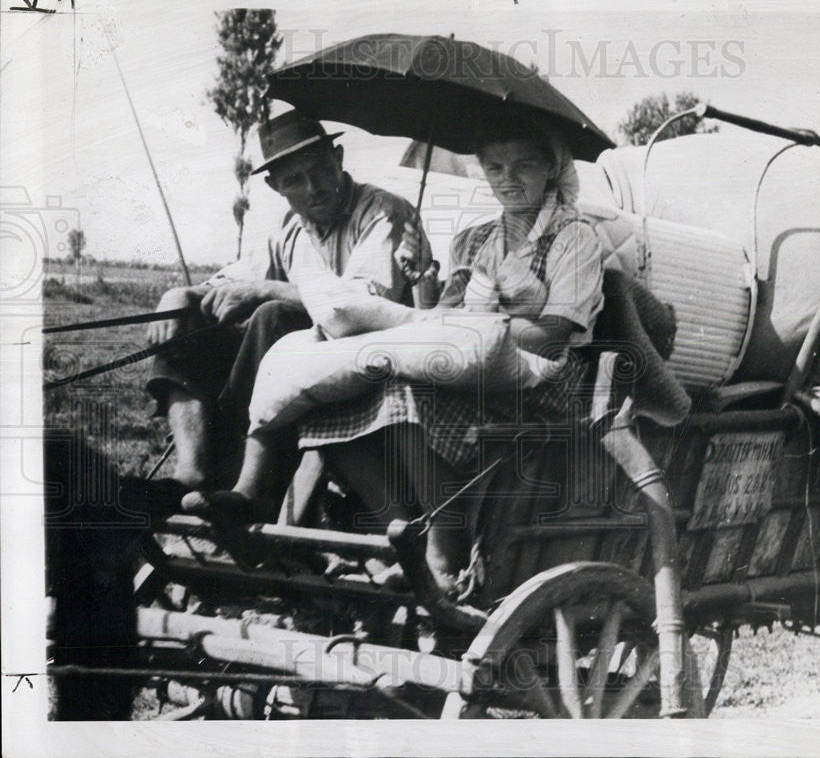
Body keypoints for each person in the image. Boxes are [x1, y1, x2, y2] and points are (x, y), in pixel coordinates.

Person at [182, 114, 605, 593]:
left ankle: (444, 544)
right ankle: (400, 531)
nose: (508, 180)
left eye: (523, 166)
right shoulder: (478, 238)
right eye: (496, 168)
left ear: (552, 167)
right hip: (474, 360)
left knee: (399, 383)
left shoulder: (574, 238)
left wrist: (458, 328)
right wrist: (424, 277)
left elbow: (550, 336)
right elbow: (438, 311)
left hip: (542, 377)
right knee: (344, 386)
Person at [145, 109, 429, 489]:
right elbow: (235, 280)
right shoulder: (288, 227)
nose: (313, 188)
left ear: (339, 158)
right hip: (302, 367)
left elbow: (364, 305)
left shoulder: (382, 210)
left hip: (370, 361)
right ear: (276, 187)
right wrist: (182, 294)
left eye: (319, 170)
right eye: (294, 180)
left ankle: (243, 482)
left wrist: (266, 290)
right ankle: (190, 471)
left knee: (273, 314)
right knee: (188, 326)